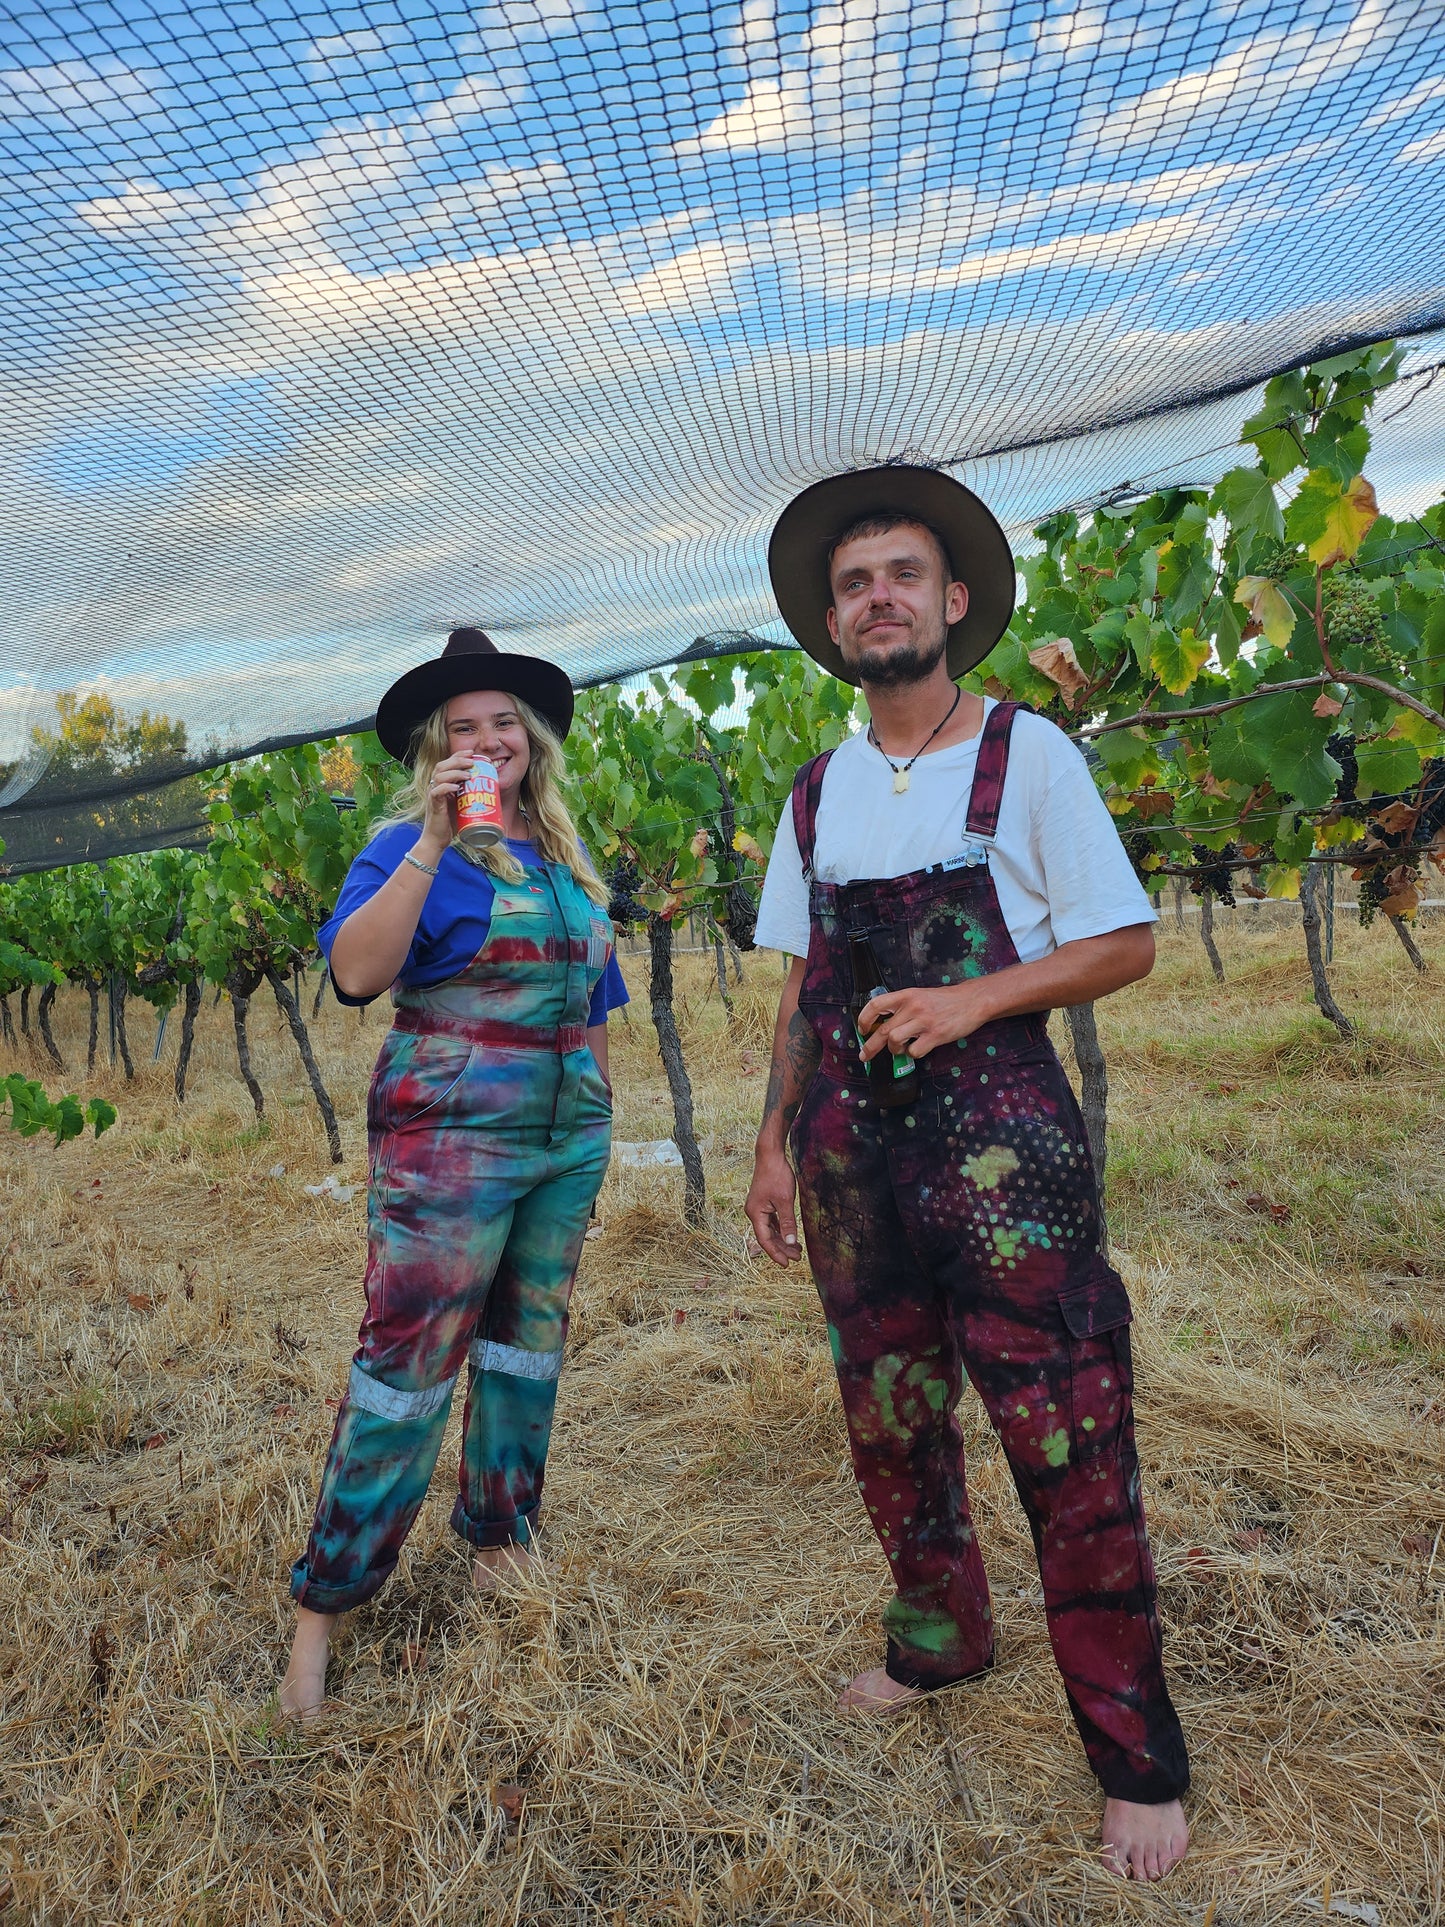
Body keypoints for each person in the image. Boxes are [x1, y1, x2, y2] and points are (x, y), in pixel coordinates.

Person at [743, 469, 1190, 1882]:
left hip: (1007, 1159)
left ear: (952, 604)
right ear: (833, 621)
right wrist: (771, 1140)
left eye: (902, 573)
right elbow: (809, 978)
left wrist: (972, 997)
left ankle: (1134, 1755)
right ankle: (940, 1641)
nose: (879, 595)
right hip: (851, 1169)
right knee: (890, 1423)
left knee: (1066, 1435)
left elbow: (1122, 940)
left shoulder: (1026, 755)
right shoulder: (814, 791)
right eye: (855, 580)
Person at [281, 627, 626, 1717]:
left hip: (563, 1135)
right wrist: (432, 836)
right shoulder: (405, 844)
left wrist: (600, 1112)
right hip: (451, 1135)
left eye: (503, 722)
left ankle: (497, 1540)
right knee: (405, 1366)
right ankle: (320, 1615)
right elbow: (353, 972)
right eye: (464, 726)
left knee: (526, 1350)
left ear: (530, 738)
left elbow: (595, 999)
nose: (489, 738)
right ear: (438, 746)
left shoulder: (564, 856)